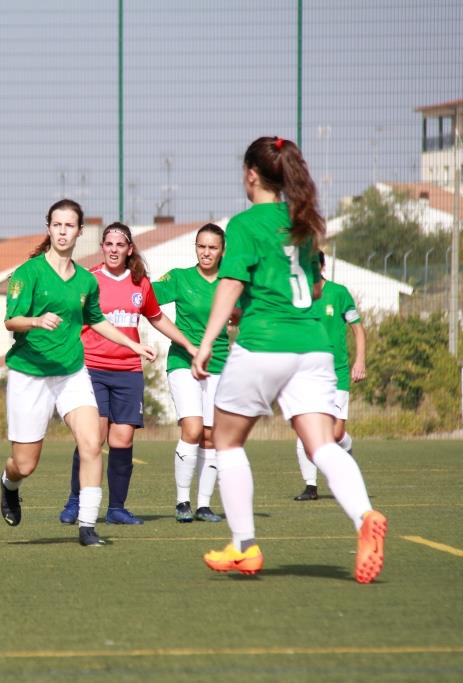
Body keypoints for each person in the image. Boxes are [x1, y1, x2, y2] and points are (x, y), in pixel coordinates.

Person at [191, 135, 386, 584]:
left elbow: (231, 285)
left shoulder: (243, 226)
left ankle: (244, 547)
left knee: (227, 442)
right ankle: (364, 518)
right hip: (315, 344)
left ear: (252, 174)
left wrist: (206, 342)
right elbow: (316, 289)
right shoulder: (303, 223)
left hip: (263, 343)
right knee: (322, 446)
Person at [0, 199, 157, 547]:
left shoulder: (86, 281)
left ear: (80, 232)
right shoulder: (29, 272)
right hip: (30, 373)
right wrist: (36, 321)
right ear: (49, 228)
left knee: (90, 442)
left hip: (72, 373)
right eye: (57, 224)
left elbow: (97, 320)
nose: (62, 231)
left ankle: (87, 526)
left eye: (69, 226)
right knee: (24, 464)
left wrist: (134, 346)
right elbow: (11, 320)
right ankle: (9, 485)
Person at [57, 222, 196, 526]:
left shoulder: (140, 283)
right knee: (93, 439)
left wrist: (186, 343)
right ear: (102, 247)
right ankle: (75, 502)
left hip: (128, 372)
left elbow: (157, 318)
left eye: (120, 245)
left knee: (122, 440)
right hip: (92, 369)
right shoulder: (88, 279)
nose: (114, 250)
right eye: (109, 244)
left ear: (129, 249)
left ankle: (117, 508)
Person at [152, 223, 234, 524]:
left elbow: (248, 312)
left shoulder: (231, 283)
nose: (206, 252)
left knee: (212, 436)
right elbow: (147, 301)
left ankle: (203, 505)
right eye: (201, 246)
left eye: (213, 247)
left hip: (220, 364)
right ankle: (182, 501)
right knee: (193, 429)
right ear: (195, 247)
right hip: (183, 363)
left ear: (223, 250)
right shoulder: (179, 277)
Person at [293, 251, 367, 501]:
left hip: (336, 373)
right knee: (305, 429)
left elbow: (358, 330)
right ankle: (310, 486)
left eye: (314, 264)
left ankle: (346, 446)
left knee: (334, 434)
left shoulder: (338, 293)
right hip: (304, 373)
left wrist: (360, 360)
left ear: (322, 266)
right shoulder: (295, 296)